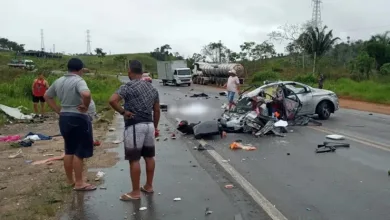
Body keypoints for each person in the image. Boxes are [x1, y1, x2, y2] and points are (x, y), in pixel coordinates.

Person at [109, 60, 160, 201]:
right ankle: (149, 186)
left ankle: (135, 192)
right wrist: (155, 127)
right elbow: (156, 110)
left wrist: (123, 112)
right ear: (142, 73)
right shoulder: (152, 88)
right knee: (149, 157)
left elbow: (112, 100)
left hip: (134, 125)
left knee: (134, 159)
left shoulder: (127, 86)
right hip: (149, 124)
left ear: (129, 72)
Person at [44, 58, 96, 191]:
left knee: (69, 149)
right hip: (78, 117)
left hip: (64, 117)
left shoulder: (59, 80)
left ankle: (70, 180)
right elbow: (86, 93)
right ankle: (79, 183)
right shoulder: (78, 80)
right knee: (79, 151)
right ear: (80, 69)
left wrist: (58, 110)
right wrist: (85, 105)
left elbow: (47, 96)